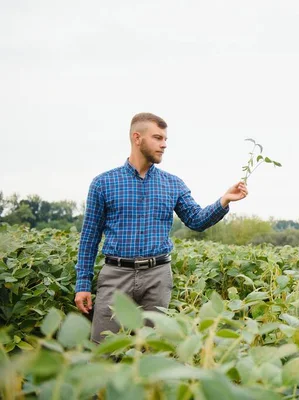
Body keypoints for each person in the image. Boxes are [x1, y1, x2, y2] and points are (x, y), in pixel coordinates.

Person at [74, 112, 248, 343]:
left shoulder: (172, 183)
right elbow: (89, 237)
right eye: (157, 138)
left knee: (155, 348)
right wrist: (82, 284)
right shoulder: (103, 183)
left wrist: (224, 200)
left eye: (165, 139)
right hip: (116, 275)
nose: (164, 144)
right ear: (137, 138)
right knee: (104, 348)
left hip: (158, 277)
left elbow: (196, 220)